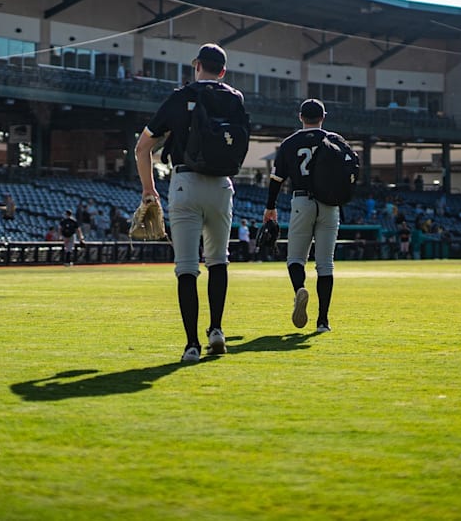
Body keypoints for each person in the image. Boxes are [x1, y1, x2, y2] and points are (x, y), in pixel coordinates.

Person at [134, 43, 247, 363]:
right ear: (223, 71)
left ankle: (192, 345)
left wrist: (149, 190)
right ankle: (217, 331)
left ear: (196, 64)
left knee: (186, 266)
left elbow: (142, 148)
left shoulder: (179, 96)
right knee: (218, 261)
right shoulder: (234, 98)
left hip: (185, 183)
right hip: (223, 185)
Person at [265, 98, 341, 333]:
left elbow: (277, 178)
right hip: (329, 203)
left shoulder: (289, 143)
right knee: (325, 264)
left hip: (301, 199)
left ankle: (300, 288)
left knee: (295, 259)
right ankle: (323, 322)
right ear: (323, 118)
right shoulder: (334, 140)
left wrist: (270, 206)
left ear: (300, 117)